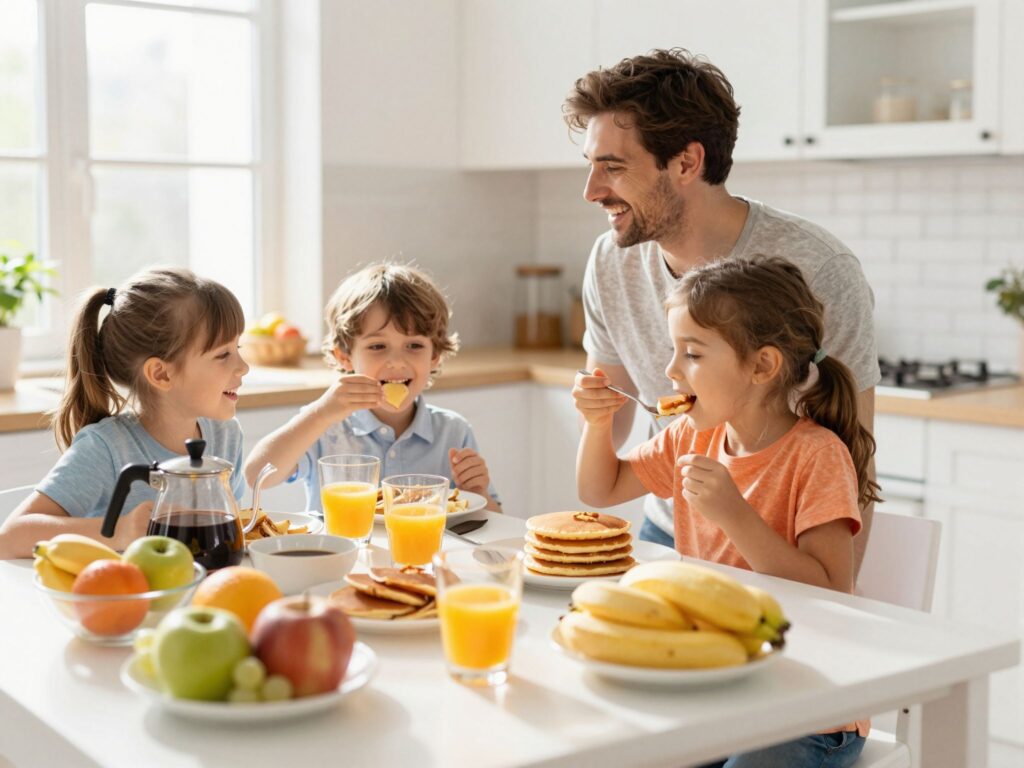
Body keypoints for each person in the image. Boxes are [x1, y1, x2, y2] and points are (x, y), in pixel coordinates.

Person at [564, 48, 880, 571]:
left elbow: (853, 464)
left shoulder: (818, 267)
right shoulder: (610, 261)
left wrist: (833, 611)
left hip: (782, 555)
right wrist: (596, 418)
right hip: (672, 530)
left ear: (687, 162)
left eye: (613, 167)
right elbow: (613, 429)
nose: (591, 191)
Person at [575, 256, 880, 767]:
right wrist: (596, 423)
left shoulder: (817, 456)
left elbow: (830, 590)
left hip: (809, 708)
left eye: (692, 354)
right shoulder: (692, 435)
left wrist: (734, 514)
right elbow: (599, 489)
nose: (671, 370)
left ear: (762, 366)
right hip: (721, 690)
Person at [0, 268, 249, 559]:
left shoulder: (226, 437)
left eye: (238, 347)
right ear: (160, 374)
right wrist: (120, 531)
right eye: (223, 354)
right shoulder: (105, 448)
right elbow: (10, 536)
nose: (243, 366)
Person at [245, 263, 500, 513]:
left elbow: (492, 522)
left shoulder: (453, 432)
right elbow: (256, 476)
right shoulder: (326, 428)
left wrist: (478, 491)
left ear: (435, 356)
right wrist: (320, 413)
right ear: (345, 356)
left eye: (414, 346)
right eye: (378, 346)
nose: (398, 362)